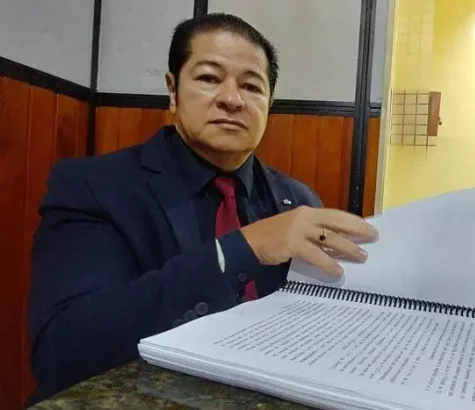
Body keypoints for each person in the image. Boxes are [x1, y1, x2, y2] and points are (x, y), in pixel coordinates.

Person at [26, 12, 378, 404]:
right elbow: (62, 350)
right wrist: (242, 250)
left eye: (252, 86)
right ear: (172, 90)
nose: (232, 99)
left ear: (269, 104)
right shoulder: (95, 187)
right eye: (209, 78)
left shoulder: (299, 201)